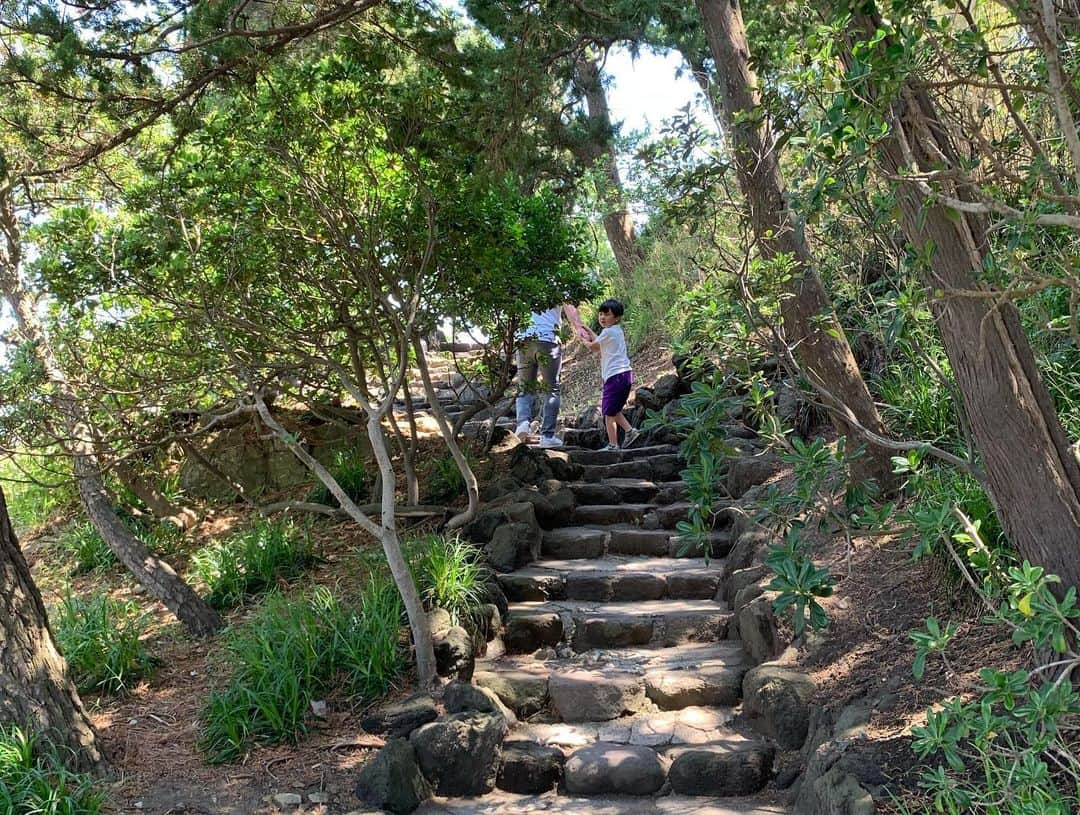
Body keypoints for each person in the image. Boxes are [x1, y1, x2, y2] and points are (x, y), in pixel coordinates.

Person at [515, 304, 583, 449]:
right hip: (547, 338)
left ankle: (522, 424)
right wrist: (579, 327)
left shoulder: (521, 283)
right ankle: (547, 436)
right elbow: (569, 306)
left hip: (523, 339)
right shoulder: (556, 281)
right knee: (551, 388)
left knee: (524, 387)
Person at [578, 299, 640, 451]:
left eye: (607, 314)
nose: (602, 317)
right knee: (613, 408)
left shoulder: (608, 332)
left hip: (616, 376)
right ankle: (630, 431)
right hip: (624, 375)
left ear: (617, 317)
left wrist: (583, 340)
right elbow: (599, 342)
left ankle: (613, 445)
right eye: (600, 314)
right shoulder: (615, 331)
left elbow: (594, 346)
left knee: (607, 411)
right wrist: (588, 331)